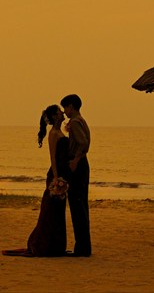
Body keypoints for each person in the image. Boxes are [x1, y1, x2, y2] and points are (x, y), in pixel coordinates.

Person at [2, 104, 70, 257]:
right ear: (54, 116)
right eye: (59, 111)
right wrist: (56, 178)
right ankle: (44, 244)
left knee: (58, 212)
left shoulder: (60, 132)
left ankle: (56, 245)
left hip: (62, 175)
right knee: (50, 211)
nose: (62, 112)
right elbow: (53, 157)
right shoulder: (53, 134)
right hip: (56, 175)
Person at [61, 93, 91, 256]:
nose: (64, 112)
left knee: (77, 205)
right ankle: (84, 247)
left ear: (71, 107)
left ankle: (82, 248)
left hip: (78, 165)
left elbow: (83, 143)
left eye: (65, 108)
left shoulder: (75, 122)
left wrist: (76, 160)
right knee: (81, 205)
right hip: (81, 164)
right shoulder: (81, 120)